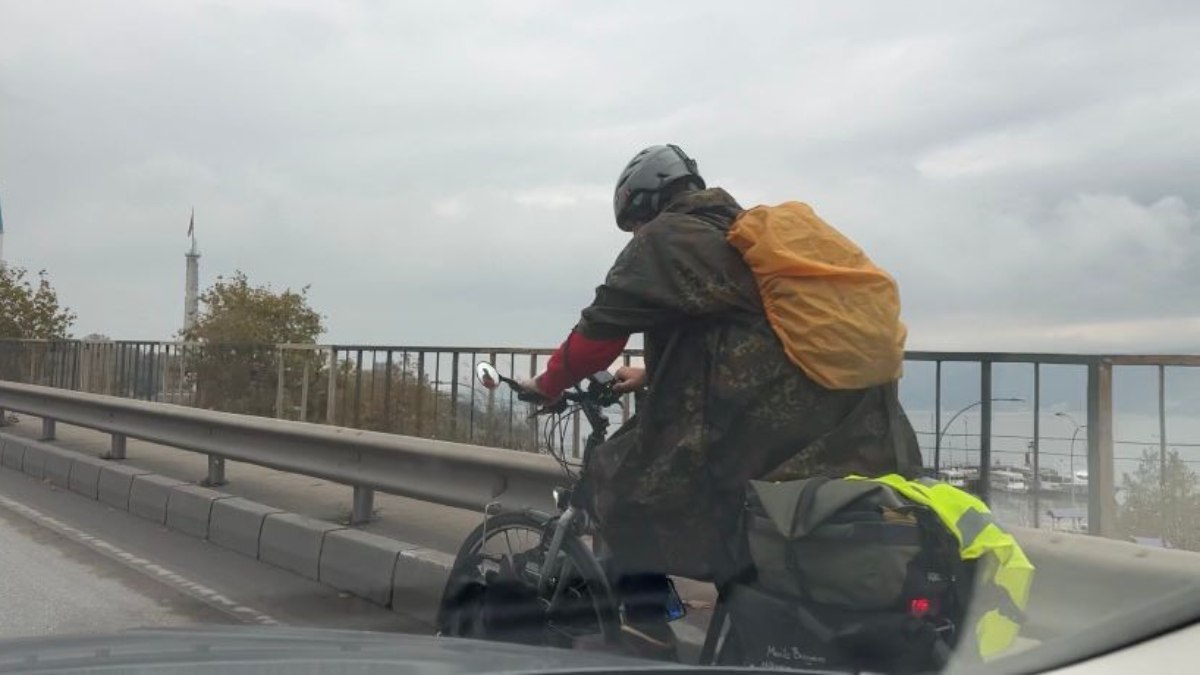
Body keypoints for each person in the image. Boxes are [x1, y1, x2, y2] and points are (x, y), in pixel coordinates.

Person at [520, 144, 922, 659]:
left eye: (633, 226)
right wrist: (649, 374)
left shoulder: (666, 239)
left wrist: (547, 384)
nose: (636, 237)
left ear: (641, 206)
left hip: (765, 431)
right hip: (855, 425)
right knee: (743, 526)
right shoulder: (748, 240)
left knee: (615, 481)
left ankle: (648, 627)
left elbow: (596, 337)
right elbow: (752, 336)